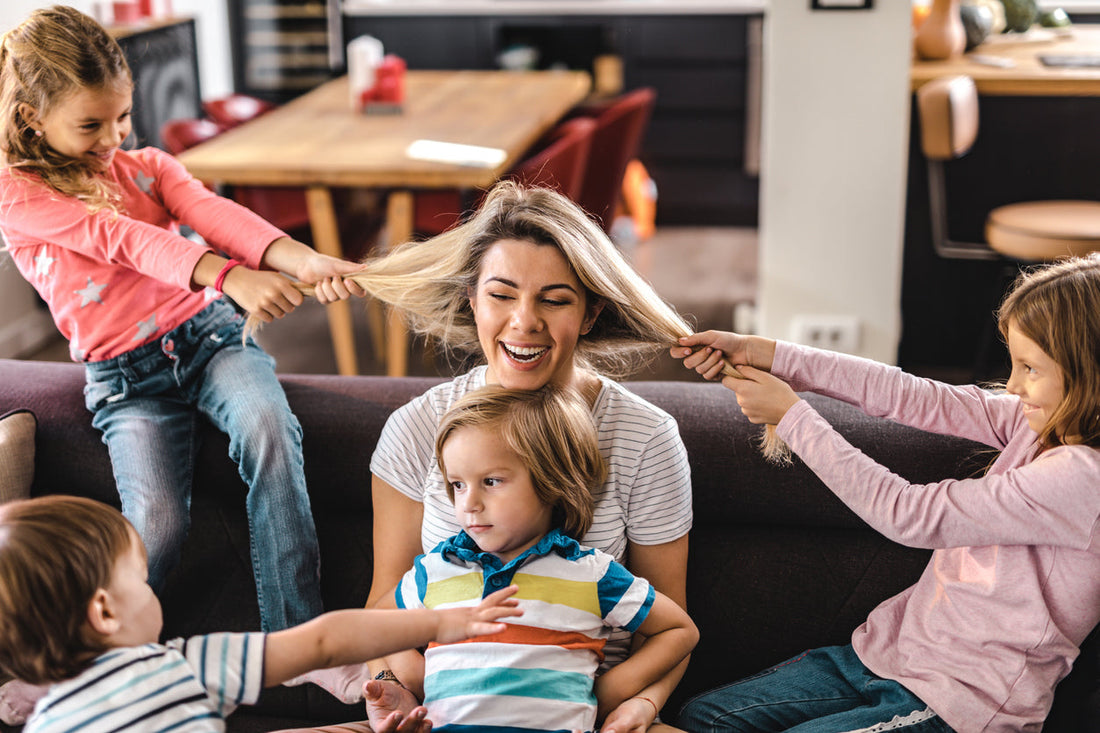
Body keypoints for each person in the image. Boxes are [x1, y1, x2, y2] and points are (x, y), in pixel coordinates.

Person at [0, 5, 366, 634]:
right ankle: (100, 655)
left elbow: (216, 213)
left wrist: (302, 259)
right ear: (33, 117)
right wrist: (231, 275)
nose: (113, 139)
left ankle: (300, 640)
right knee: (157, 519)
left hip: (211, 338)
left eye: (122, 117)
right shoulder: (19, 195)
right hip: (126, 380)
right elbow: (121, 240)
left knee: (271, 433)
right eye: (91, 124)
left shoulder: (148, 166)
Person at [284, 180, 696, 733]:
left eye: (554, 299)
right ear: (472, 299)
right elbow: (385, 607)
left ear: (592, 312)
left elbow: (670, 628)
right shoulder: (415, 428)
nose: (524, 321)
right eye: (501, 295)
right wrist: (405, 698)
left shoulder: (645, 438)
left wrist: (631, 707)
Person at [670, 255, 1100, 732]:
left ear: (1089, 373)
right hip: (884, 658)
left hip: (961, 701)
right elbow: (911, 394)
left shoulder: (1083, 477)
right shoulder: (1039, 425)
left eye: (1031, 368)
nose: (1014, 385)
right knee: (706, 718)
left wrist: (794, 418)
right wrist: (770, 353)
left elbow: (909, 514)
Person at [0, 495, 521, 732]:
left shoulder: (48, 723)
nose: (152, 589)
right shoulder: (180, 665)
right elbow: (323, 641)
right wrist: (439, 623)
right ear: (105, 612)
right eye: (139, 579)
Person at [387, 384, 698, 732]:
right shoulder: (434, 571)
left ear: (551, 482)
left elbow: (679, 629)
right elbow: (377, 624)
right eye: (457, 484)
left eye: (490, 481)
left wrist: (605, 695)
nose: (468, 503)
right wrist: (417, 679)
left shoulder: (591, 573)